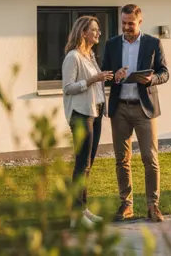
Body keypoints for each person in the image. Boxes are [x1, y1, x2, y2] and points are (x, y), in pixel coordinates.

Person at [101, 4, 169, 222]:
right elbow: (105, 74)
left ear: (140, 21)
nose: (126, 27)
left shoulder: (153, 43)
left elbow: (165, 72)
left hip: (144, 108)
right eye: (123, 23)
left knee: (150, 158)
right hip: (119, 107)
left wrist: (152, 79)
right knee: (122, 159)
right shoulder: (111, 44)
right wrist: (115, 76)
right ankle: (126, 205)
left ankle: (153, 206)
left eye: (130, 23)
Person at [61, 15, 113, 228]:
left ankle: (83, 209)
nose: (98, 33)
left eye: (98, 29)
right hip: (81, 114)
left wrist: (108, 76)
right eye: (94, 29)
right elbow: (68, 88)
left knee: (88, 164)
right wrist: (94, 79)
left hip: (95, 112)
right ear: (83, 32)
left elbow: (96, 83)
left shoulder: (90, 55)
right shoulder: (73, 57)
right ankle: (75, 215)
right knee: (82, 164)